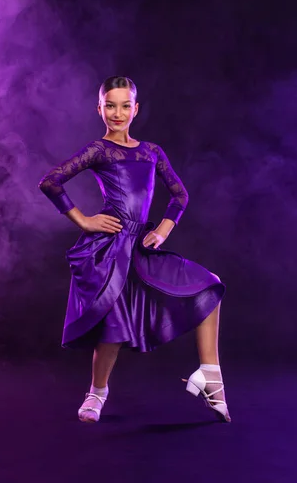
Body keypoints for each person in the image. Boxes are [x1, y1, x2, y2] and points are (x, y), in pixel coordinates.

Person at [38, 76, 231, 423]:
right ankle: (97, 393)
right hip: (110, 249)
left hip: (141, 245)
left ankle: (210, 377)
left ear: (135, 108)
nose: (117, 113)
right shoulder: (98, 150)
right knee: (112, 322)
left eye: (125, 105)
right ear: (99, 108)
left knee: (209, 285)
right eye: (110, 105)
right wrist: (83, 220)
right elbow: (50, 181)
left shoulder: (151, 151)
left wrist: (162, 230)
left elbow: (180, 196)